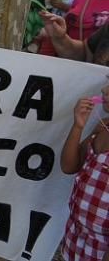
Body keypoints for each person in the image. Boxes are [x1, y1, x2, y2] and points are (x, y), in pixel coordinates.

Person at [59, 40, 109, 261]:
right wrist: (78, 126)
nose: (104, 89)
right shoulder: (103, 126)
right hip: (74, 243)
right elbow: (70, 166)